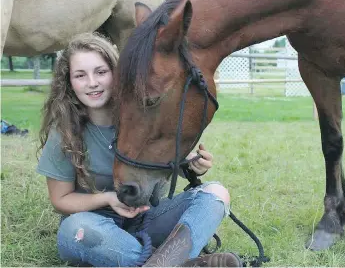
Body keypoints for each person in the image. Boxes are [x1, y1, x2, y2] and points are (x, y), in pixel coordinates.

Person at [36, 32, 241, 267]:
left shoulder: (143, 119)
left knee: (216, 193)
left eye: (101, 72)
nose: (92, 82)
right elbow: (60, 200)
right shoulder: (64, 132)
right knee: (74, 228)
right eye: (80, 75)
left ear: (117, 74)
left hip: (147, 219)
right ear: (69, 81)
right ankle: (173, 261)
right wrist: (108, 199)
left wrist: (191, 165)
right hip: (97, 227)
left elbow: (163, 162)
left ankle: (158, 263)